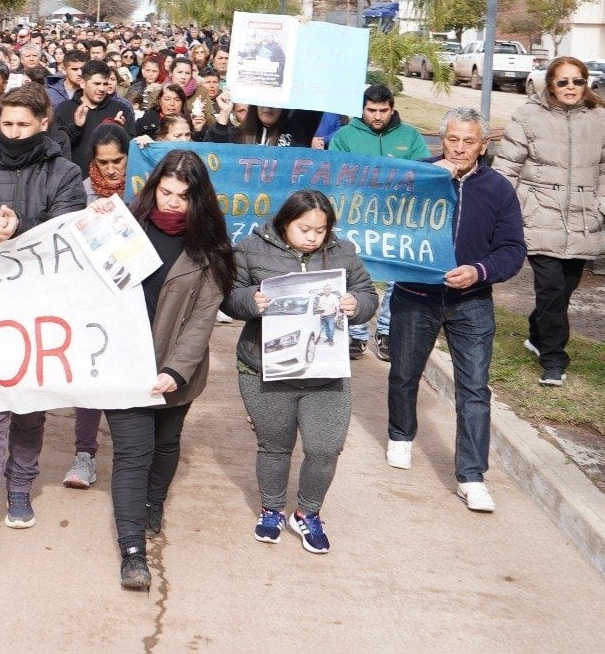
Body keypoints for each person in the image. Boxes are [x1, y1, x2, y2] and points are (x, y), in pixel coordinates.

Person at [0, 83, 86, 557]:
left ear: (44, 124)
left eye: (24, 125)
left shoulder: (65, 174)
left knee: (28, 409)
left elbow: (69, 235)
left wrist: (19, 231)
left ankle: (20, 486)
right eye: (6, 124)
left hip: (41, 311)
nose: (13, 132)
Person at [103, 149, 233, 589]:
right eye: (165, 192)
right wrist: (95, 220)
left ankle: (153, 502)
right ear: (153, 187)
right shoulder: (127, 229)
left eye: (182, 196)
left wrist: (177, 370)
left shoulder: (211, 248)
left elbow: (203, 319)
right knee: (132, 454)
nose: (172, 203)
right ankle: (133, 552)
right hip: (124, 366)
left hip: (178, 370)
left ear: (199, 200)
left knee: (165, 442)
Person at [222, 190, 379, 554]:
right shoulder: (250, 248)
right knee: (275, 446)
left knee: (325, 448)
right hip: (266, 367)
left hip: (325, 371)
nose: (312, 236)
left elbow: (367, 293)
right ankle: (272, 509)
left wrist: (357, 305)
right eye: (304, 228)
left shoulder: (344, 252)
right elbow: (230, 296)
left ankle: (308, 513)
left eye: (320, 230)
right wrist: (251, 301)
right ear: (284, 223)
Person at [388, 108, 526, 513]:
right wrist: (431, 182)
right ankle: (401, 435)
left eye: (469, 141)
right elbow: (385, 219)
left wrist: (480, 271)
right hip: (416, 295)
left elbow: (513, 250)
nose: (460, 148)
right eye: (453, 140)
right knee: (403, 372)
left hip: (472, 302)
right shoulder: (416, 176)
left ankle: (471, 476)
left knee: (475, 389)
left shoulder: (499, 189)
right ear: (441, 141)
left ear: (484, 146)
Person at [493, 58, 605, 386]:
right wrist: (510, 212)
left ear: (586, 84)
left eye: (577, 82)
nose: (570, 88)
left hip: (583, 220)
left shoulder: (600, 119)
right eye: (563, 82)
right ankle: (554, 361)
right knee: (550, 289)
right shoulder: (527, 116)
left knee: (564, 290)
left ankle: (538, 335)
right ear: (549, 84)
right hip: (540, 217)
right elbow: (506, 168)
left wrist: (604, 207)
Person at [328, 84, 431, 360]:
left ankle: (385, 330)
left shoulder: (410, 136)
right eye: (371, 110)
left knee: (396, 279)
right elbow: (335, 174)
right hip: (356, 218)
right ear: (361, 110)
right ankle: (356, 333)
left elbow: (423, 173)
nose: (377, 116)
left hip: (398, 218)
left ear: (392, 108)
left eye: (383, 110)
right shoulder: (344, 136)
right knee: (358, 274)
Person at [61, 126, 131, 494]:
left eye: (118, 161)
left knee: (128, 379)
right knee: (91, 377)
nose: (110, 170)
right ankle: (84, 455)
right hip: (91, 296)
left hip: (134, 296)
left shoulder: (146, 189)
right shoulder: (80, 192)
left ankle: (132, 459)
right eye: (102, 163)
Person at [52, 59, 137, 172]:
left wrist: (118, 132)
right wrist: (75, 127)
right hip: (75, 180)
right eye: (96, 84)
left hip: (110, 180)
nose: (101, 89)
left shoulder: (121, 110)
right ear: (83, 83)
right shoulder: (64, 109)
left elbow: (130, 149)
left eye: (105, 84)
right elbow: (56, 147)